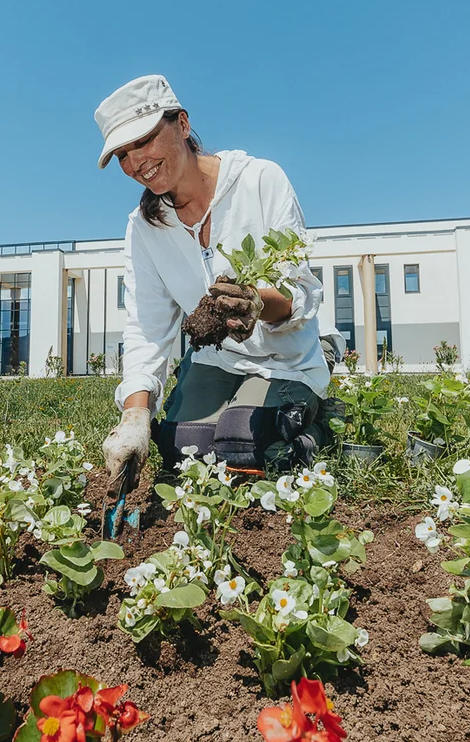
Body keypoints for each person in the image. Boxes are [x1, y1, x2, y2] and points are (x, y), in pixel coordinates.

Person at [95, 75, 331, 499]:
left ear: (182, 125)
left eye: (144, 141)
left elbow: (300, 292)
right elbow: (147, 327)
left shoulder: (260, 181)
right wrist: (135, 417)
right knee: (182, 451)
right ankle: (228, 410)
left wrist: (258, 302)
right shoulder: (144, 227)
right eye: (123, 156)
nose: (136, 164)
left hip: (285, 357)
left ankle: (318, 416)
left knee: (243, 444)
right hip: (217, 361)